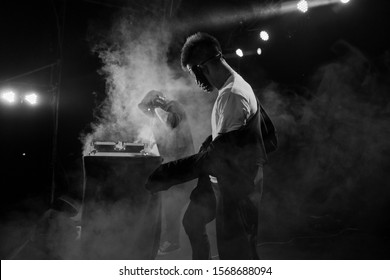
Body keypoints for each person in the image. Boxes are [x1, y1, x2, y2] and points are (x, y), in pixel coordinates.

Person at [145, 32, 269, 259]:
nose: (195, 79)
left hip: (236, 186)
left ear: (202, 66)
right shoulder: (232, 88)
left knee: (237, 252)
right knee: (192, 221)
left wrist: (167, 174)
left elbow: (219, 156)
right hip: (220, 181)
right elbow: (233, 139)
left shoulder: (232, 95)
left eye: (193, 71)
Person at [138, 90, 195, 255]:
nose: (148, 111)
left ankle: (173, 242)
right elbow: (159, 135)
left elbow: (172, 123)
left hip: (182, 163)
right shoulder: (158, 113)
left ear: (156, 102)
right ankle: (169, 240)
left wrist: (156, 107)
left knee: (173, 203)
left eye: (149, 106)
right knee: (169, 202)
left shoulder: (173, 106)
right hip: (171, 162)